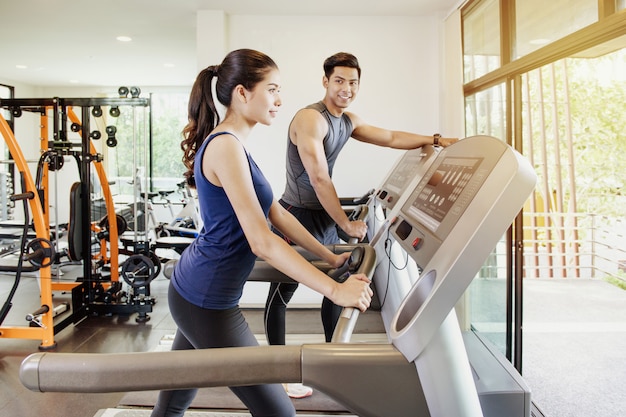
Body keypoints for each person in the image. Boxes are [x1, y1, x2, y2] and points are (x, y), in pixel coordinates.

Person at [150, 49, 373, 417]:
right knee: (278, 412)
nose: (279, 101)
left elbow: (277, 215)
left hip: (197, 290)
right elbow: (263, 241)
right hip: (206, 300)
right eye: (272, 90)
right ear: (242, 93)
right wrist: (335, 289)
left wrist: (329, 256)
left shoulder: (236, 146)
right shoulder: (225, 147)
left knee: (175, 402)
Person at [264, 51, 458, 383]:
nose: (346, 89)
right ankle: (276, 375)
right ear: (326, 82)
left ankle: (331, 364)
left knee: (337, 287)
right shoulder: (311, 119)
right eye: (339, 81)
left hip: (322, 218)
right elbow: (319, 178)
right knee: (281, 295)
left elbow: (391, 138)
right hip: (295, 216)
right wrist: (345, 223)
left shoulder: (347, 120)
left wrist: (436, 140)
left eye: (353, 83)